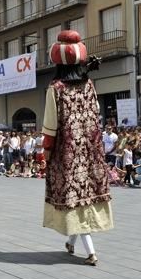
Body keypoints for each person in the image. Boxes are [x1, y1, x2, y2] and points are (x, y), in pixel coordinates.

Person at [42, 30, 113, 266]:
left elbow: (50, 126)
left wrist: (47, 152)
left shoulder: (56, 88)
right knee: (85, 197)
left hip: (67, 152)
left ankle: (91, 252)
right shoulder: (89, 85)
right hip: (91, 151)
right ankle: (71, 243)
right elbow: (96, 116)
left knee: (74, 197)